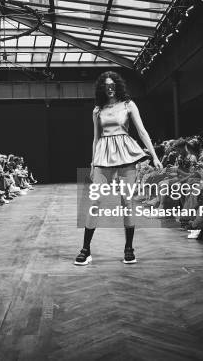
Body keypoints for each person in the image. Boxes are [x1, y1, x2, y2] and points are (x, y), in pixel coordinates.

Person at [74, 72, 162, 266]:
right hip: (103, 157)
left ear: (118, 86)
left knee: (127, 201)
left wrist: (154, 156)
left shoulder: (128, 105)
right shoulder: (97, 110)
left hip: (126, 155)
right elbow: (96, 139)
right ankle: (86, 249)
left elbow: (142, 131)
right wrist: (92, 163)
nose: (110, 88)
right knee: (95, 200)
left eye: (112, 85)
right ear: (102, 89)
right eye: (106, 86)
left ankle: (129, 248)